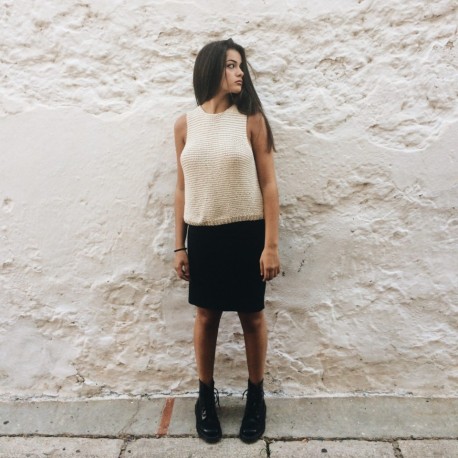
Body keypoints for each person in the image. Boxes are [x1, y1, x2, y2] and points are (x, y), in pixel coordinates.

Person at [173, 38, 280, 444]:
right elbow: (182, 188)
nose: (239, 73)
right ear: (211, 69)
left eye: (241, 66)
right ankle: (205, 398)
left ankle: (256, 398)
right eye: (231, 65)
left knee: (252, 317)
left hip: (247, 233)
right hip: (203, 233)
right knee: (207, 317)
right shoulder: (185, 124)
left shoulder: (251, 120)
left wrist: (270, 245)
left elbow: (269, 185)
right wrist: (179, 245)